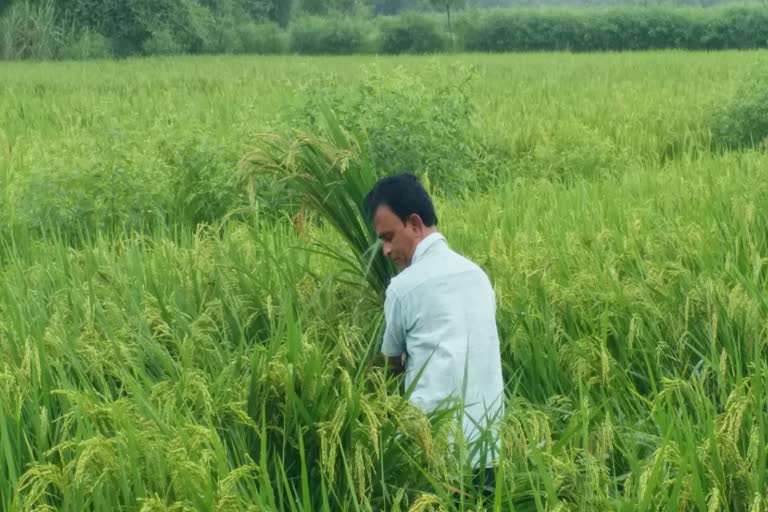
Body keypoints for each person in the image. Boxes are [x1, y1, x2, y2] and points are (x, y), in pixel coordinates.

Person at [364, 173, 505, 497]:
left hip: (433, 456)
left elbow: (389, 367)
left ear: (414, 224)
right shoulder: (478, 276)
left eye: (388, 237)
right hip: (489, 449)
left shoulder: (403, 287)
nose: (385, 250)